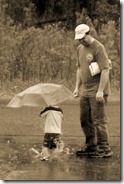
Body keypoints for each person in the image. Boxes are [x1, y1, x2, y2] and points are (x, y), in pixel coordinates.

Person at [73, 24, 113, 158]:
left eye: (82, 38)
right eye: (79, 39)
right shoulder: (80, 49)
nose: (81, 41)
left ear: (88, 33)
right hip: (85, 90)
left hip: (97, 90)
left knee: (98, 121)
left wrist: (100, 91)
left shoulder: (99, 48)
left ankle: (104, 149)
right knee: (84, 119)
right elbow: (79, 69)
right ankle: (91, 146)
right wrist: (77, 87)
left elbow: (105, 69)